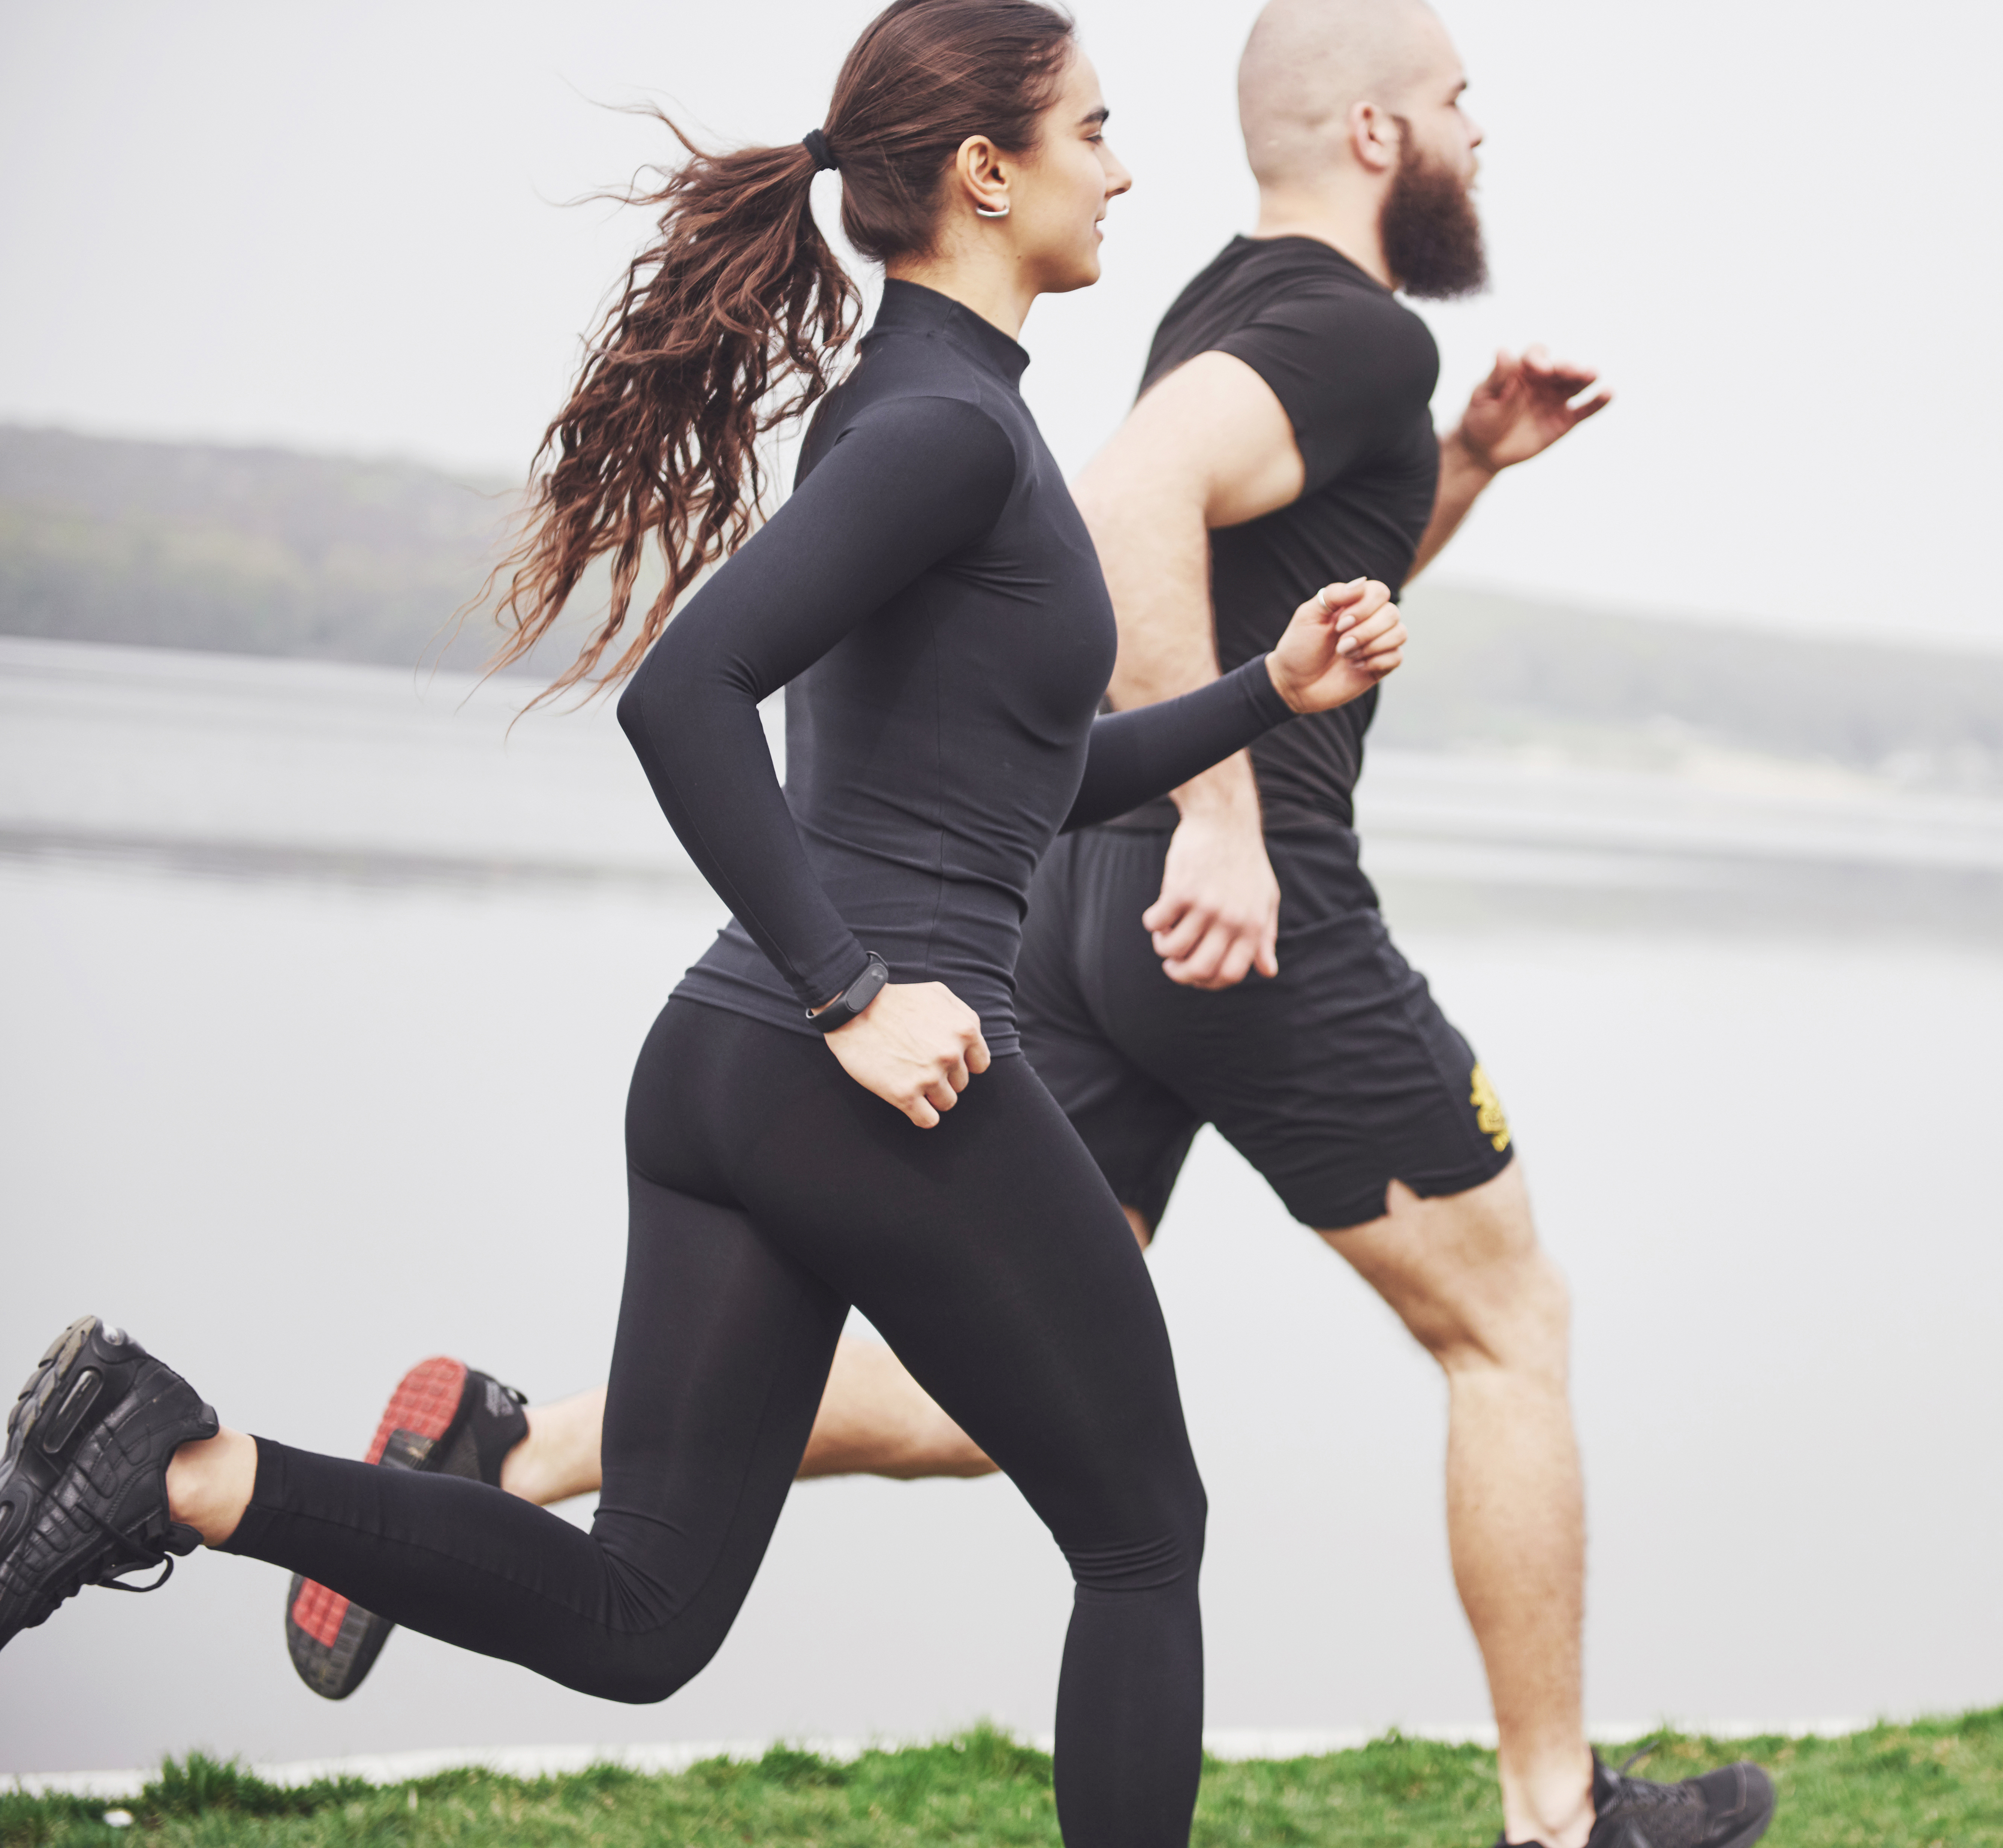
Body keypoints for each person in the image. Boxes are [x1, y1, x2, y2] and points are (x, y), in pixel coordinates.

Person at [272, 3, 1776, 1844]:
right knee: (1477, 1339)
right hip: (1196, 925)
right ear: (1377, 133)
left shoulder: (1173, 323)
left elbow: (1066, 689)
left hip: (1021, 929)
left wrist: (1388, 550)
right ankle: (1562, 1820)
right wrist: (1197, 833)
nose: (1125, 166)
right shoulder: (1322, 332)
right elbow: (1088, 525)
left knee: (962, 1424)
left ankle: (490, 1454)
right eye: (1460, 100)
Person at [0, 5, 1416, 1844]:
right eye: (1096, 129)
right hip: (864, 1069)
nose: (1125, 168)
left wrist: (1264, 693)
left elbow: (1029, 776)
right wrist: (856, 995)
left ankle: (174, 1462)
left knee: (642, 1615)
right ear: (989, 173)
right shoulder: (946, 437)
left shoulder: (929, 418)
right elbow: (684, 697)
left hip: (727, 1079)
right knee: (1148, 1535)